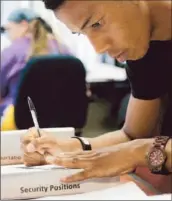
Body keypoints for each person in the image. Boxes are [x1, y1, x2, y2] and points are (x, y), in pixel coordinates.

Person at [21, 0, 172, 183]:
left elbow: (134, 146)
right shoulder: (145, 49)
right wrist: (69, 148)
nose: (99, 48)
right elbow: (132, 135)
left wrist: (139, 151)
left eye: (97, 24)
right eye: (82, 33)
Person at [0, 8, 72, 117]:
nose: (8, 34)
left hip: (18, 120)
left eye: (8, 29)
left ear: (24, 25)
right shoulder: (63, 48)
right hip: (62, 118)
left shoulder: (12, 51)